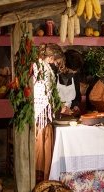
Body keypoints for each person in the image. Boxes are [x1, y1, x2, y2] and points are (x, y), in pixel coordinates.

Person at [36, 43, 66, 184]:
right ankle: (41, 182)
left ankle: (43, 181)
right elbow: (46, 95)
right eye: (57, 62)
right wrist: (60, 106)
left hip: (42, 117)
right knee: (41, 153)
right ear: (51, 58)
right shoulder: (43, 70)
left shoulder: (43, 67)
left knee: (44, 152)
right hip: (40, 118)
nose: (56, 65)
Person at [56, 49, 84, 115]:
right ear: (64, 65)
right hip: (55, 114)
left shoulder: (75, 76)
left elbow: (77, 95)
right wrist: (61, 108)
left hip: (69, 115)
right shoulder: (54, 75)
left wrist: (75, 106)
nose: (72, 74)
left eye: (74, 72)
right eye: (70, 71)